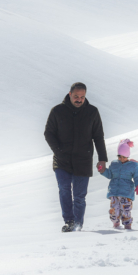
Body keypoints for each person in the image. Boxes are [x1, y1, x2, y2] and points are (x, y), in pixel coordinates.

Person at [44, 82, 109, 232]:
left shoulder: (92, 112)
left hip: (83, 160)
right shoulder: (57, 111)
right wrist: (58, 151)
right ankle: (69, 221)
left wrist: (102, 159)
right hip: (62, 160)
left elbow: (98, 136)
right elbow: (48, 133)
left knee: (79, 196)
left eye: (82, 97)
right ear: (69, 94)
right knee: (64, 189)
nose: (79, 99)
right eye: (76, 96)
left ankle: (78, 225)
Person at [98, 139, 138, 230]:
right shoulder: (114, 164)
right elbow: (110, 174)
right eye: (119, 156)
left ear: (128, 155)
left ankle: (127, 225)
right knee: (114, 210)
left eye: (124, 157)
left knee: (126, 210)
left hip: (126, 192)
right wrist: (103, 170)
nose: (122, 159)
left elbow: (137, 177)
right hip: (114, 191)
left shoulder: (133, 166)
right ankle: (115, 223)